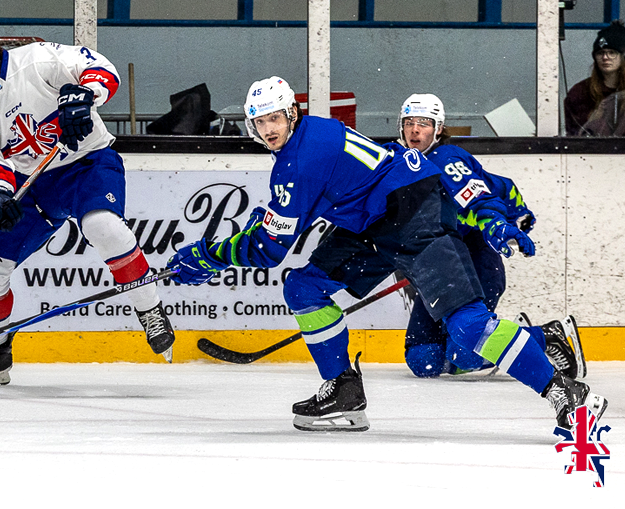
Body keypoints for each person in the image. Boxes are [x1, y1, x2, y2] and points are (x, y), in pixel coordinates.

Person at [166, 76, 607, 432]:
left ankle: (565, 392)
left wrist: (207, 258)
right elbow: (285, 222)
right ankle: (343, 390)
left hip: (413, 213)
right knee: (304, 287)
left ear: (291, 114)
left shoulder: (298, 163)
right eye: (260, 121)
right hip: (374, 223)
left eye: (275, 118)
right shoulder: (311, 135)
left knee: (469, 327)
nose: (269, 129)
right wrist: (245, 237)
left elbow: (268, 248)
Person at [0, 10, 175, 385]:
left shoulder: (36, 59)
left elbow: (98, 68)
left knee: (103, 226)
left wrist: (84, 95)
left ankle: (150, 311)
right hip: (32, 184)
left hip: (86, 164)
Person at [396, 94, 586, 381]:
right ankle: (508, 337)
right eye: (409, 122)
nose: (415, 130)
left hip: (474, 264)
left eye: (424, 123)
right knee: (423, 360)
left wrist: (498, 225)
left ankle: (546, 336)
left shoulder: (446, 160)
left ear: (438, 128)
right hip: (438, 270)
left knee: (466, 355)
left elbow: (479, 201)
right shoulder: (401, 165)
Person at [564, 20, 625, 136]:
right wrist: (596, 117)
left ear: (623, 56)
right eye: (600, 53)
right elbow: (574, 136)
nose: (605, 57)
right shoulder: (579, 93)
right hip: (590, 147)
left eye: (612, 52)